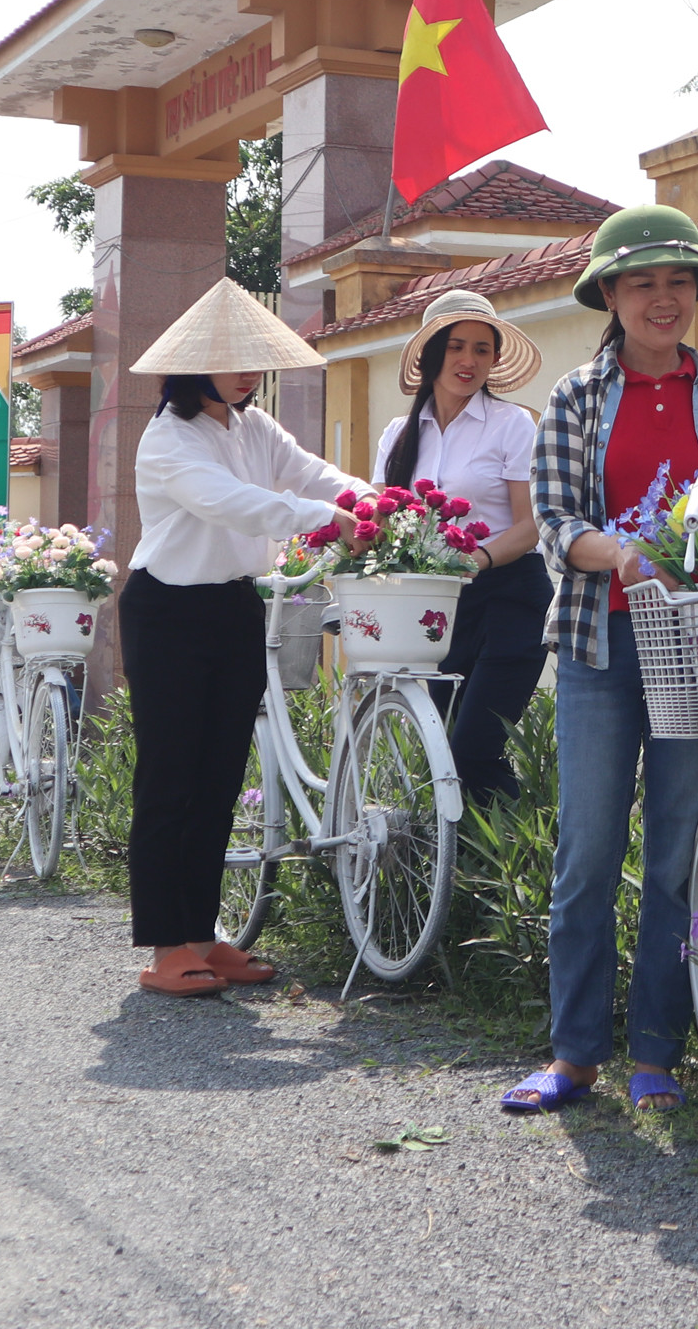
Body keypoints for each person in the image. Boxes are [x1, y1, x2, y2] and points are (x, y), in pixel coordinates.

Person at [503, 206, 698, 1116]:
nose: (664, 298)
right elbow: (558, 522)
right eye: (643, 282)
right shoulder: (576, 398)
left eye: (679, 281)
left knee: (679, 857)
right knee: (587, 853)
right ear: (610, 295)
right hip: (600, 642)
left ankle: (659, 1050)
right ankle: (574, 1054)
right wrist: (620, 553)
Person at [124, 279, 369, 999]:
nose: (245, 374)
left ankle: (203, 935)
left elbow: (310, 472)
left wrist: (372, 499)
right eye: (231, 360)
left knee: (221, 776)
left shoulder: (253, 428)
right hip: (166, 613)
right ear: (193, 363)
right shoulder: (169, 438)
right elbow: (230, 503)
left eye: (253, 361)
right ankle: (167, 944)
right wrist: (323, 514)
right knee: (170, 778)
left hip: (234, 609)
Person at [372, 289, 548, 801]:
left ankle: (516, 866)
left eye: (481, 349)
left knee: (473, 746)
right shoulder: (397, 435)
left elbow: (530, 525)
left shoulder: (513, 424)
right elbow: (381, 522)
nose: (468, 361)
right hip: (439, 609)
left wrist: (478, 557)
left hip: (510, 597)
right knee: (448, 754)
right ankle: (472, 872)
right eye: (454, 347)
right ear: (430, 356)